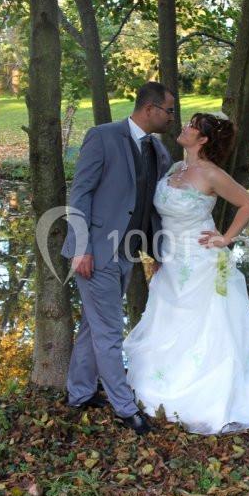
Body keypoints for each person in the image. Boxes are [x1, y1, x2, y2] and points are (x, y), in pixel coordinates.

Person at [122, 113, 249, 435]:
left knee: (207, 327)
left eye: (193, 126)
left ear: (203, 139)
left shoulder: (211, 174)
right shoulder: (177, 168)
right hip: (171, 258)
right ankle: (162, 382)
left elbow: (247, 204)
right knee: (168, 321)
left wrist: (226, 237)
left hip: (203, 260)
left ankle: (204, 392)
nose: (186, 127)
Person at [60, 81, 175, 435]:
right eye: (169, 111)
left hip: (128, 253)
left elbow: (153, 209)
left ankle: (79, 394)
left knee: (94, 327)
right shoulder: (104, 136)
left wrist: (155, 253)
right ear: (150, 109)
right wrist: (81, 248)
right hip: (96, 252)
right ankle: (126, 409)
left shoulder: (159, 150)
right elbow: (81, 192)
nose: (172, 118)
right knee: (110, 331)